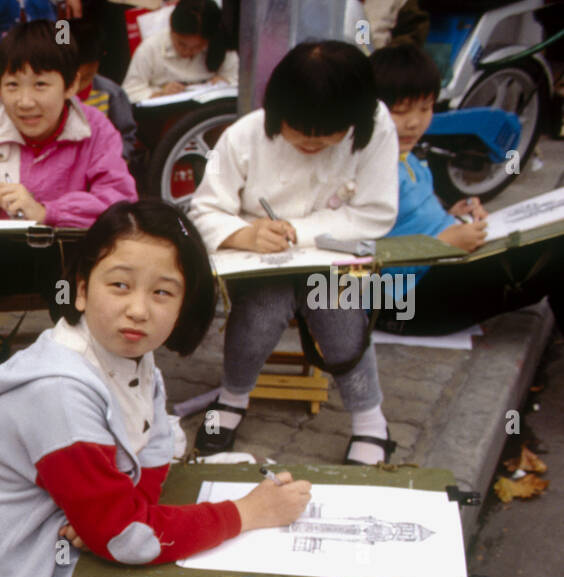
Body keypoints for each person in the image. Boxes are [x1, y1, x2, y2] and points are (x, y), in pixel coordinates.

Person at [0, 200, 309, 577]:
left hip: (83, 531)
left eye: (163, 293)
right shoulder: (59, 393)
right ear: (82, 291)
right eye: (119, 285)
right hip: (35, 574)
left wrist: (123, 513)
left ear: (184, 303)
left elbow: (156, 448)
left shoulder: (131, 356)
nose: (138, 310)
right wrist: (247, 513)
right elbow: (126, 539)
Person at [188, 41, 400, 465]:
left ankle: (370, 420)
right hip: (260, 260)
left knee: (338, 309)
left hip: (331, 257)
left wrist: (298, 231)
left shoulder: (375, 127)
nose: (312, 142)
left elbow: (375, 214)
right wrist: (244, 234)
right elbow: (204, 209)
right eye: (300, 130)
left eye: (327, 135)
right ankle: (232, 399)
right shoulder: (245, 135)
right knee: (262, 310)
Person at [0, 19, 138, 399]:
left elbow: (120, 200)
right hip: (1, 260)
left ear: (70, 85)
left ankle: (75, 352)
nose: (24, 101)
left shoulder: (95, 129)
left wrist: (47, 211)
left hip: (65, 263)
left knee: (69, 260)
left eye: (40, 84)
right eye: (12, 85)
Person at [371, 43, 564, 336]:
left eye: (425, 108)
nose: (414, 122)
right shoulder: (366, 172)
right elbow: (350, 258)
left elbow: (407, 222)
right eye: (400, 111)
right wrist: (439, 243)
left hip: (437, 273)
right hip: (405, 303)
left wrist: (452, 216)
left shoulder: (407, 156)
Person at [121, 0, 237, 104]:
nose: (187, 52)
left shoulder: (221, 46)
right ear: (171, 30)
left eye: (198, 47)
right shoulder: (150, 48)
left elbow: (239, 82)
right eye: (181, 44)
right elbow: (129, 92)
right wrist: (160, 93)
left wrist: (224, 82)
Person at [71, 17, 135, 165]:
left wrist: (116, 160)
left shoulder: (111, 94)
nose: (75, 87)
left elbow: (126, 136)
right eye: (70, 78)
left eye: (85, 79)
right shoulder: (50, 94)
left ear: (97, 64)